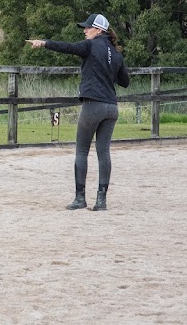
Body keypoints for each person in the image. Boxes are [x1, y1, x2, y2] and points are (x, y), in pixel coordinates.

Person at [29, 13, 130, 211]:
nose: (84, 30)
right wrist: (109, 68)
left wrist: (44, 43)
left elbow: (68, 48)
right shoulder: (117, 53)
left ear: (99, 30)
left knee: (82, 150)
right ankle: (101, 201)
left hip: (93, 105)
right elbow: (125, 82)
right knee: (103, 153)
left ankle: (80, 198)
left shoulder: (91, 46)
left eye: (87, 27)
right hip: (111, 107)